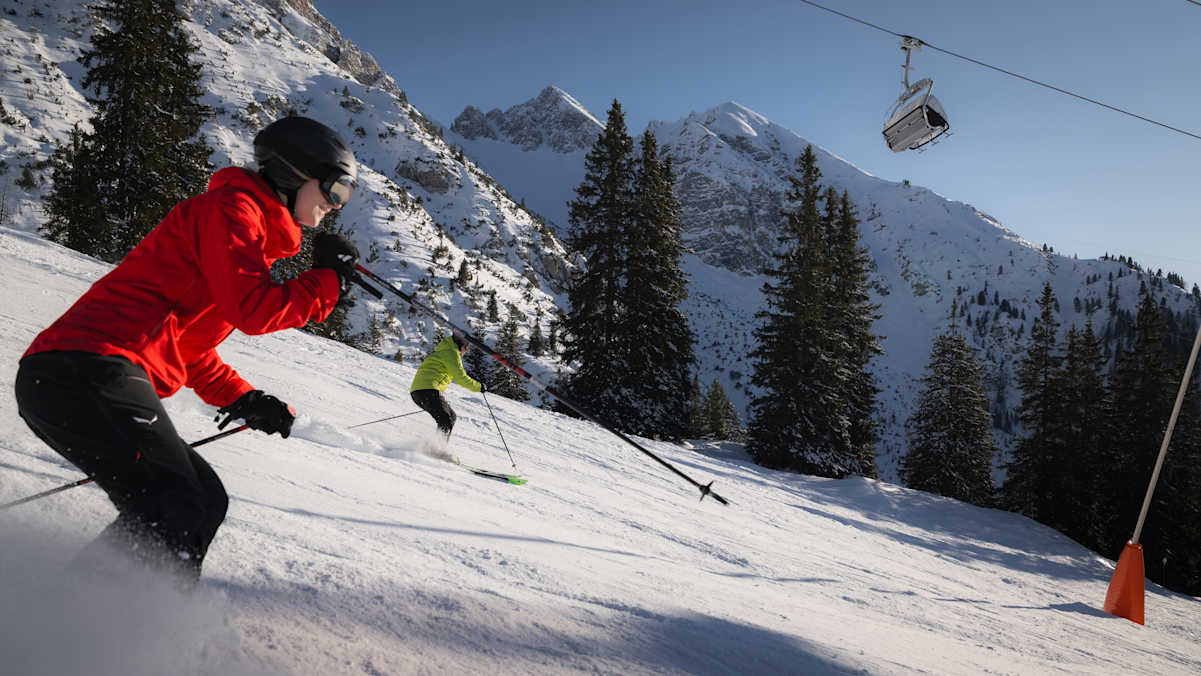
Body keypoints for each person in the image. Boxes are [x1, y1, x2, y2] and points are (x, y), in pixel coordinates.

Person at [13, 116, 362, 582]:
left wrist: (244, 398)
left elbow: (189, 345)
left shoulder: (246, 229)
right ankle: (100, 628)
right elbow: (254, 311)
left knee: (202, 500)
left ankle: (87, 617)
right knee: (176, 500)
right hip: (85, 368)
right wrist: (326, 281)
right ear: (296, 172)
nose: (335, 206)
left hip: (87, 374)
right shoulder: (231, 210)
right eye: (336, 189)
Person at [410, 332, 485, 444]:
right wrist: (479, 387)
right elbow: (460, 377)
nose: (466, 350)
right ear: (460, 345)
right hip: (427, 390)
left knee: (451, 416)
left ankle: (435, 446)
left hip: (421, 391)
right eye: (466, 347)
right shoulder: (452, 353)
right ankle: (438, 449)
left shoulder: (444, 351)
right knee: (445, 419)